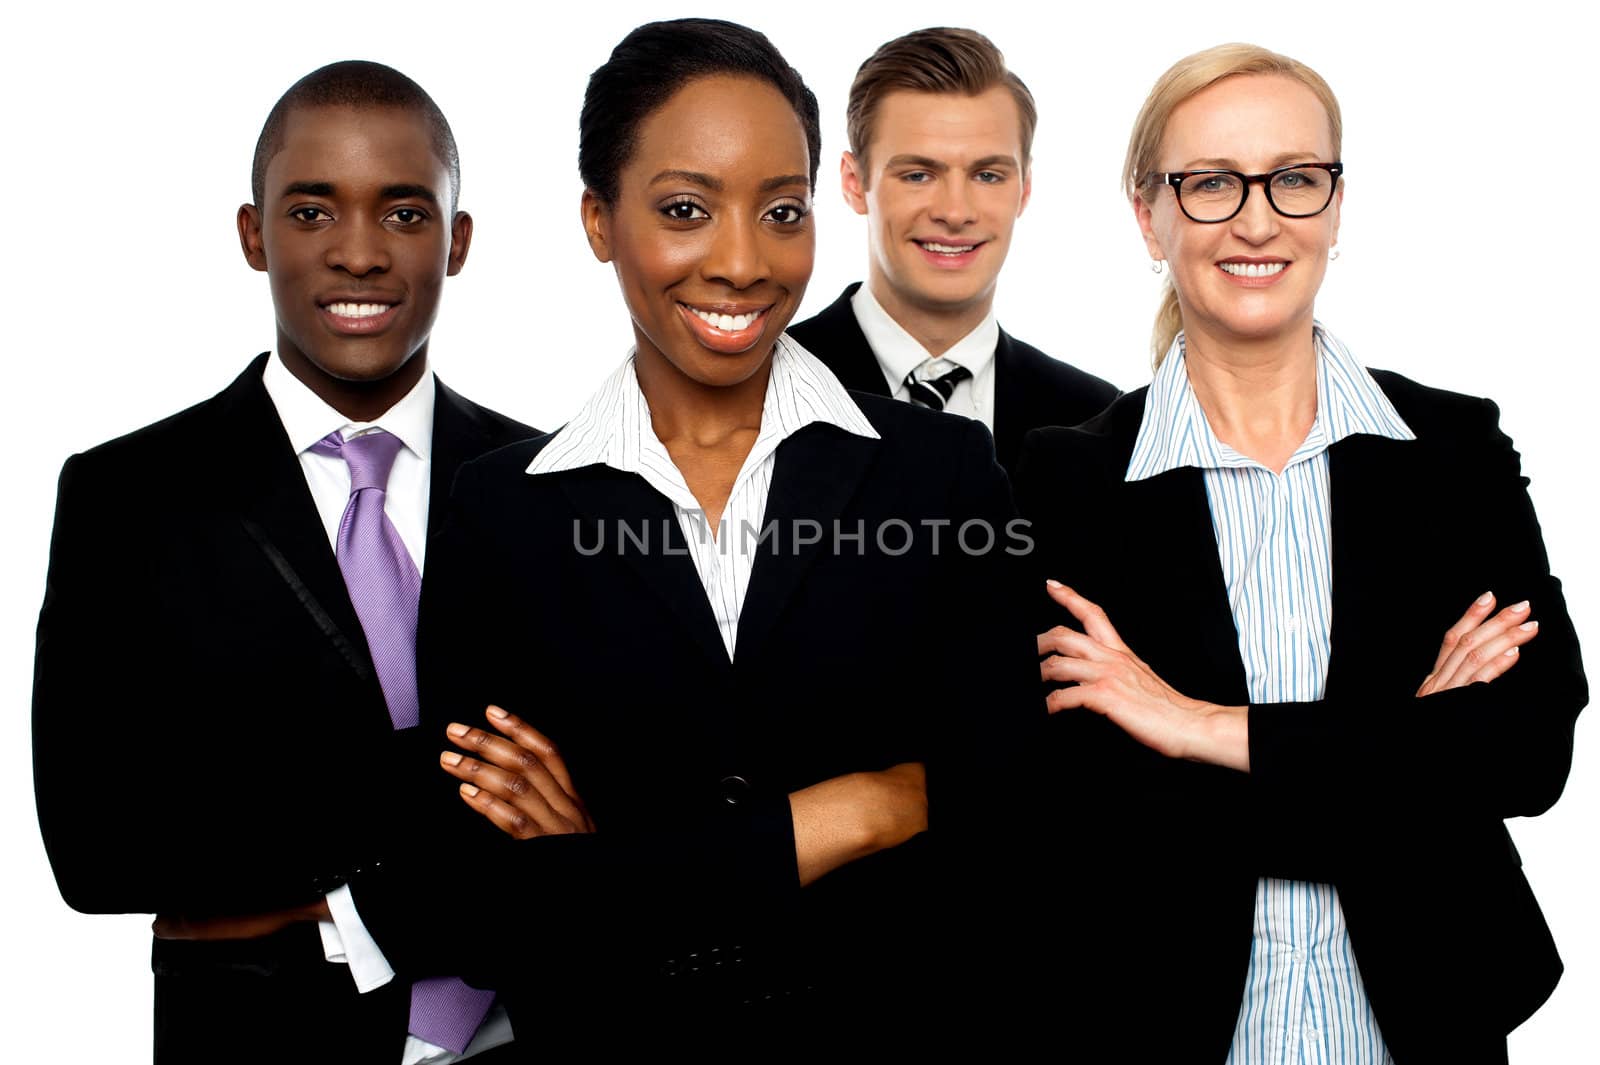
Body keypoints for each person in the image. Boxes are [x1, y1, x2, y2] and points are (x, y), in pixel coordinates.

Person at [339, 18, 1040, 1048]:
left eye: (782, 210)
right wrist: (853, 812)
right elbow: (479, 907)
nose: (743, 262)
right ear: (597, 219)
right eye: (684, 209)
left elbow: (1012, 833)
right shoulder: (504, 512)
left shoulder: (940, 476)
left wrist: (601, 858)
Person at [1015, 43, 1587, 1063]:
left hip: (1427, 1021)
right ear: (1145, 215)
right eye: (1208, 184)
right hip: (1158, 1025)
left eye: (1293, 177)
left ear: (1333, 204)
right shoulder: (1067, 483)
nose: (1256, 217)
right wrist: (1408, 749)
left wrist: (1191, 725)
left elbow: (1527, 751)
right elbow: (1080, 806)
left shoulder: (1450, 450)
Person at [32, 61, 533, 1065]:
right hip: (259, 1031)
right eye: (312, 212)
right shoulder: (133, 496)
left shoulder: (552, 482)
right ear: (254, 236)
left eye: (403, 214)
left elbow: (626, 791)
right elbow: (98, 842)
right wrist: (454, 796)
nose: (358, 254)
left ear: (457, 240)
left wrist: (259, 800)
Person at [786, 27, 1118, 478]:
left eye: (987, 176)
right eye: (918, 175)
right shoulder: (767, 389)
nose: (955, 212)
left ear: (1025, 188)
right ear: (853, 183)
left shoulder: (1096, 417)